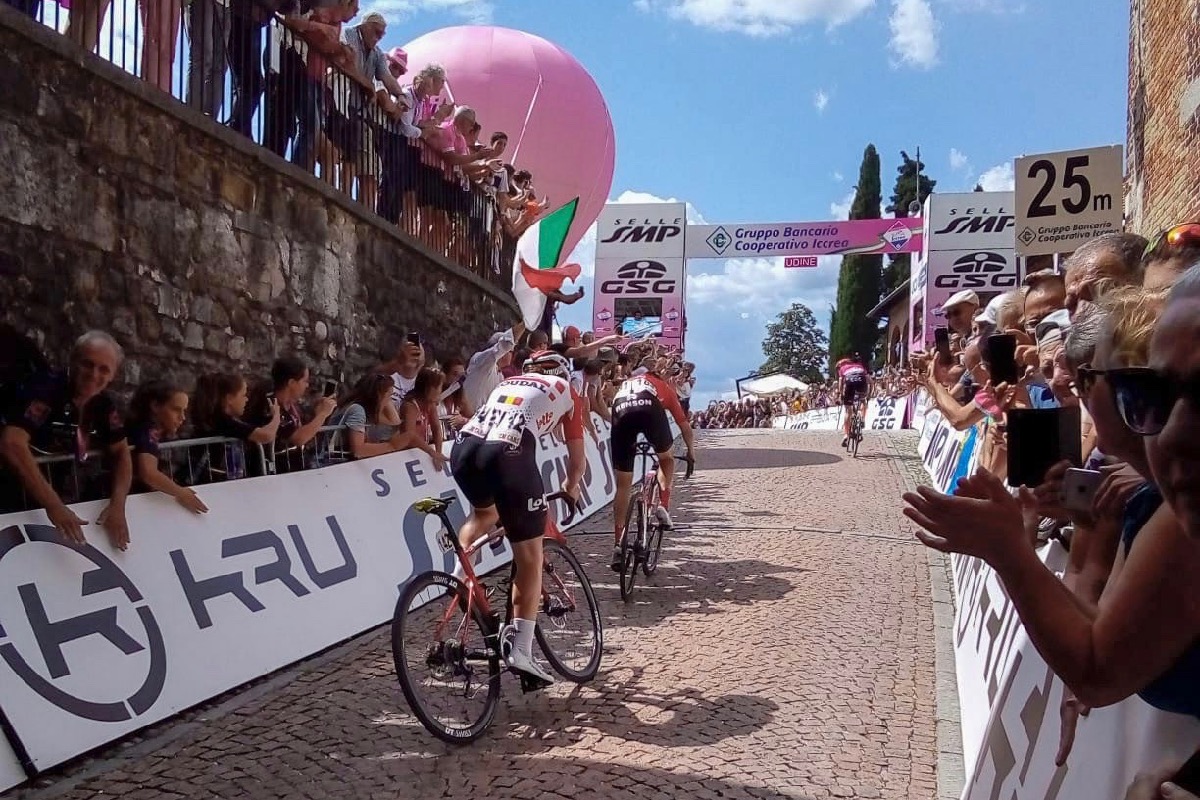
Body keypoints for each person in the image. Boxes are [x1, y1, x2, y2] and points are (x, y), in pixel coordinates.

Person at [450, 351, 587, 687]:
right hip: (509, 454)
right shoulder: (567, 390)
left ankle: (460, 574)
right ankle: (522, 650)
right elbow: (577, 460)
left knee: (483, 513)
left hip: (464, 448)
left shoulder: (509, 381)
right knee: (530, 555)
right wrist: (570, 488)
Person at [0, 331, 132, 549]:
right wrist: (54, 505)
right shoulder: (46, 388)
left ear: (113, 375)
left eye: (103, 369)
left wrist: (118, 505)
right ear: (72, 361)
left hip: (43, 505)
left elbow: (122, 452)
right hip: (10, 497)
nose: (93, 374)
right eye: (87, 364)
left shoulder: (103, 404)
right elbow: (12, 443)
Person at [608, 361, 696, 572]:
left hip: (620, 409)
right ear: (661, 376)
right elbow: (684, 425)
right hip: (648, 409)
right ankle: (663, 506)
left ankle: (618, 544)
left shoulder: (629, 382)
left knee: (623, 485)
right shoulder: (664, 387)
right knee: (666, 459)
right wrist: (691, 453)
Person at [125, 380, 208, 514]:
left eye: (184, 411)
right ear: (155, 406)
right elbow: (148, 472)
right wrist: (181, 492)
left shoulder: (154, 431)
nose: (182, 417)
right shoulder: (147, 430)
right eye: (176, 409)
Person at [835, 352, 871, 448]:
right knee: (863, 400)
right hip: (861, 383)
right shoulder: (860, 366)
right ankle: (862, 419)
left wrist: (840, 394)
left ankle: (846, 434)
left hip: (850, 384)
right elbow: (870, 382)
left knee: (848, 411)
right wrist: (869, 394)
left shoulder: (842, 368)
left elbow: (841, 384)